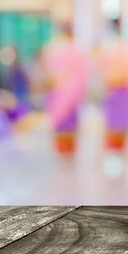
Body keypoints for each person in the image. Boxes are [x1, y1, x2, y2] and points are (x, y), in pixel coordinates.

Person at [99, 19, 128, 153]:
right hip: (119, 90)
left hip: (119, 89)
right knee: (118, 123)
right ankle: (118, 151)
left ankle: (116, 151)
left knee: (117, 123)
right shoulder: (125, 48)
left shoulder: (113, 47)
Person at [43, 23, 89, 157]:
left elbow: (52, 73)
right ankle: (67, 151)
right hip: (68, 93)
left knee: (63, 123)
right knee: (67, 123)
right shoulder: (75, 51)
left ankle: (64, 151)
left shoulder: (57, 49)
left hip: (63, 92)